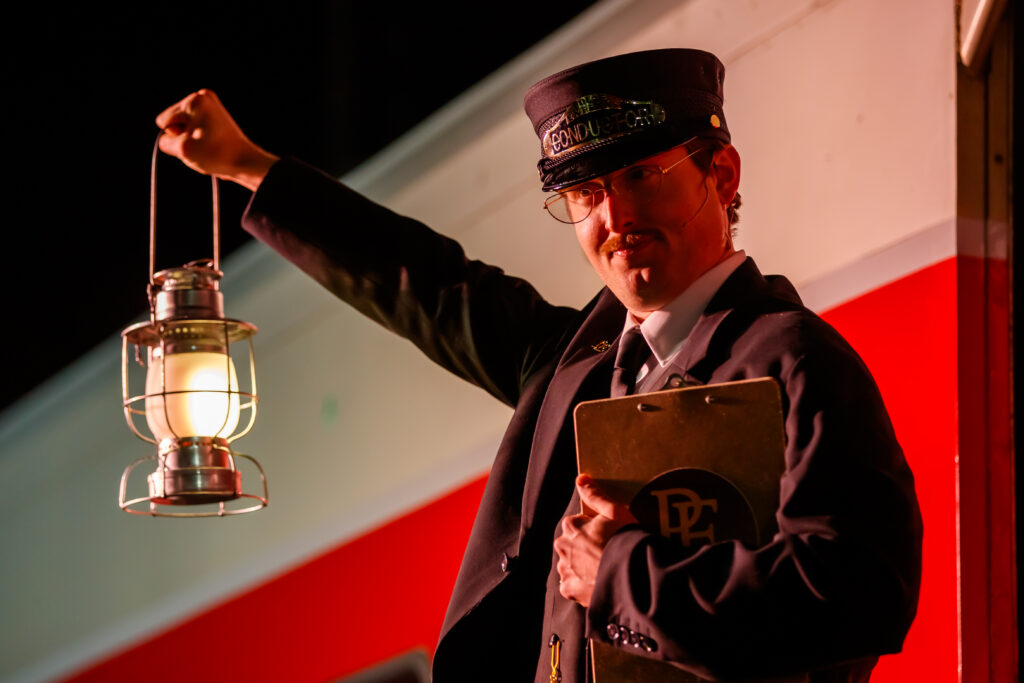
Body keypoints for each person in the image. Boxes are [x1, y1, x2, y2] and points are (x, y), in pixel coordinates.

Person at [156, 49, 922, 682]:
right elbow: (425, 282)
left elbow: (859, 592)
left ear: (722, 175)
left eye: (640, 177)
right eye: (585, 192)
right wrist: (249, 166)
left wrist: (621, 573)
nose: (613, 218)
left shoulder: (794, 358)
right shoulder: (569, 364)